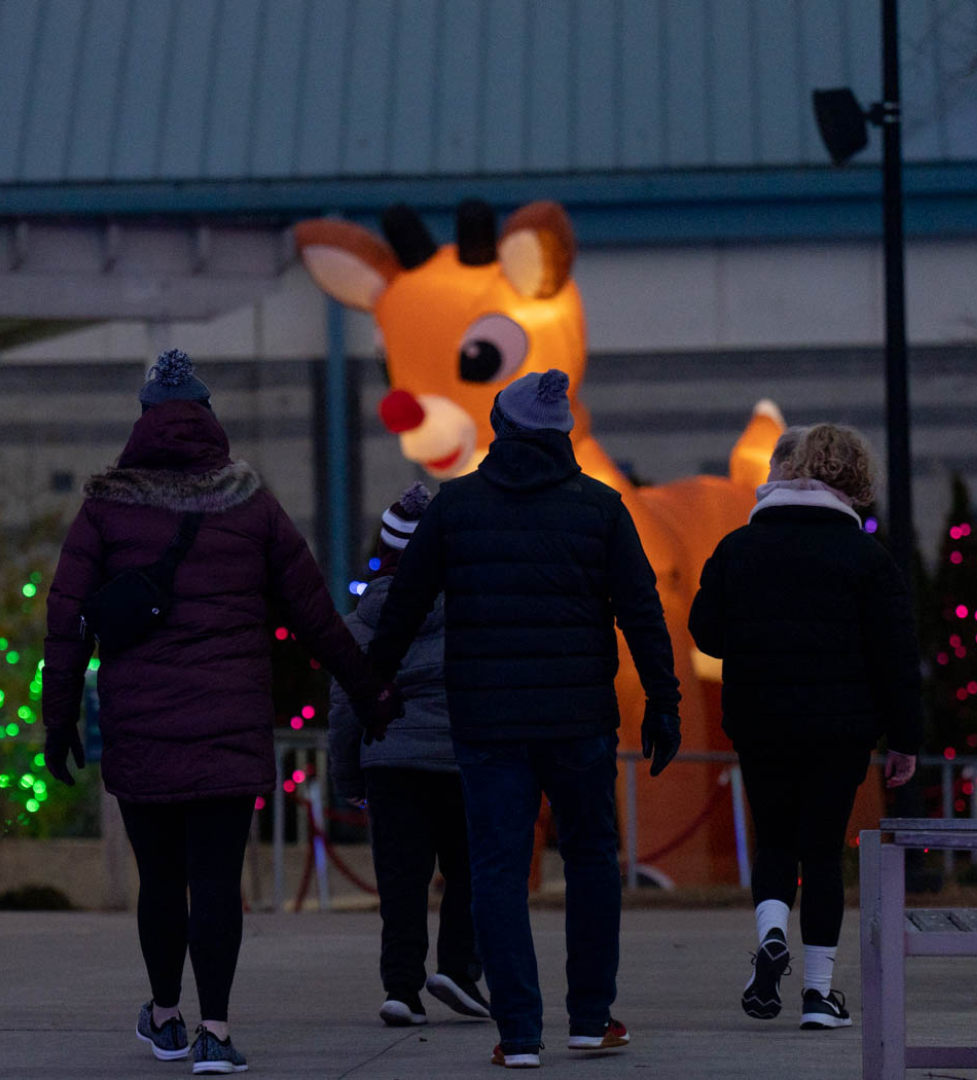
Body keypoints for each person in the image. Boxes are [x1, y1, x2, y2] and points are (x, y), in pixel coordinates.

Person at [42, 349, 401, 1075]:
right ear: (209, 419)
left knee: (159, 880)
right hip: (230, 730)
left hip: (142, 729)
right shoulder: (252, 504)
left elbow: (67, 616)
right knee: (214, 881)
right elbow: (315, 615)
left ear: (144, 421)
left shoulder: (105, 507)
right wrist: (368, 693)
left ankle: (166, 1017)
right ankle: (216, 1030)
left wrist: (57, 719)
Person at [365, 369, 683, 1069]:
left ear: (502, 430)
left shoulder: (457, 507)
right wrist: (664, 702)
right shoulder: (601, 508)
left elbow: (403, 606)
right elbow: (641, 612)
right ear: (562, 436)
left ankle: (519, 1033)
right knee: (593, 860)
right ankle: (590, 1019)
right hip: (579, 721)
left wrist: (372, 687)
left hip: (486, 723)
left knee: (498, 870)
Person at [688, 422, 921, 1031]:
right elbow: (896, 656)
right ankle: (818, 995)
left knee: (774, 841)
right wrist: (905, 739)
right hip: (840, 730)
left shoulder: (739, 547)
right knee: (821, 853)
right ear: (855, 480)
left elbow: (705, 632)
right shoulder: (867, 558)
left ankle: (770, 936)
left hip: (761, 720)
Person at [329, 481, 489, 1029]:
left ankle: (402, 988)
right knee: (468, 871)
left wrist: (346, 774)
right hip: (459, 758)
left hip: (389, 763)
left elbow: (346, 709)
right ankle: (459, 972)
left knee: (401, 881)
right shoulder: (470, 609)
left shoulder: (359, 623)